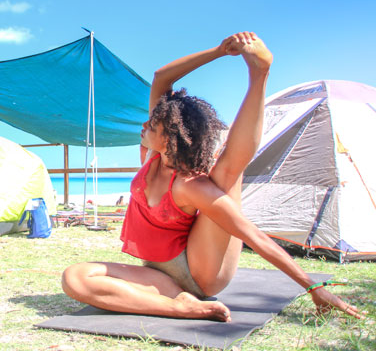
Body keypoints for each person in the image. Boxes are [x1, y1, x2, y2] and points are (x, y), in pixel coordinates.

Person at [61, 33, 363, 321]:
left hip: (200, 273)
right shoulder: (153, 155)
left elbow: (253, 236)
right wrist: (219, 51)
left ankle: (260, 75)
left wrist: (313, 288)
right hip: (158, 273)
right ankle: (181, 308)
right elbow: (161, 78)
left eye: (153, 125)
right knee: (74, 278)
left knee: (227, 175)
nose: (145, 126)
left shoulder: (192, 186)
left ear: (171, 137)